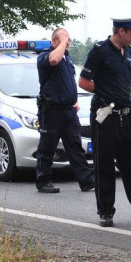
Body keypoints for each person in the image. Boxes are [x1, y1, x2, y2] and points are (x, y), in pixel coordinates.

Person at [78, 16, 131, 228]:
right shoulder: (99, 50)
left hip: (126, 115)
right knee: (104, 166)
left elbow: (126, 79)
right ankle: (106, 212)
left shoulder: (127, 51)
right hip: (106, 115)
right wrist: (104, 91)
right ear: (121, 31)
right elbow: (83, 82)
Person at [35, 28, 95, 194]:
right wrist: (61, 43)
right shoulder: (45, 57)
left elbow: (66, 82)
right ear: (54, 41)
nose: (67, 43)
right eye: (64, 40)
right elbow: (54, 60)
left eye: (68, 40)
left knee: (75, 147)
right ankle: (43, 180)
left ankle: (87, 181)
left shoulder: (67, 59)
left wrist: (73, 100)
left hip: (68, 111)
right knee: (47, 147)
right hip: (51, 110)